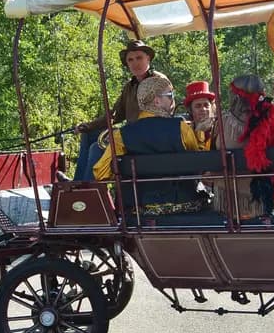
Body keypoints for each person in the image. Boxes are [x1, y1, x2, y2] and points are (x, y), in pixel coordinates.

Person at [93, 75, 210, 215]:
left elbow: (101, 173)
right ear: (157, 101)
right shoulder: (180, 127)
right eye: (170, 95)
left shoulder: (121, 135)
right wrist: (200, 135)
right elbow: (199, 163)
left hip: (137, 211)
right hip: (184, 205)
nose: (173, 100)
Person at [73, 39, 167, 180]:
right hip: (130, 136)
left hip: (150, 139)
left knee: (97, 148)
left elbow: (163, 114)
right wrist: (87, 126)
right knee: (88, 135)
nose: (135, 63)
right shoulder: (129, 87)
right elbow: (114, 115)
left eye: (139, 58)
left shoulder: (159, 81)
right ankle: (78, 183)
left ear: (148, 58)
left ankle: (89, 190)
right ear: (127, 64)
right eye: (131, 60)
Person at [214, 75, 274, 219]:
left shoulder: (223, 121)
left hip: (227, 197)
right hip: (261, 196)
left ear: (235, 96)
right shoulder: (272, 119)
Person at [183, 80, 216, 148]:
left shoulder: (220, 130)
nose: (203, 109)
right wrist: (198, 132)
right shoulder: (185, 132)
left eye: (206, 105)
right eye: (198, 106)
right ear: (190, 110)